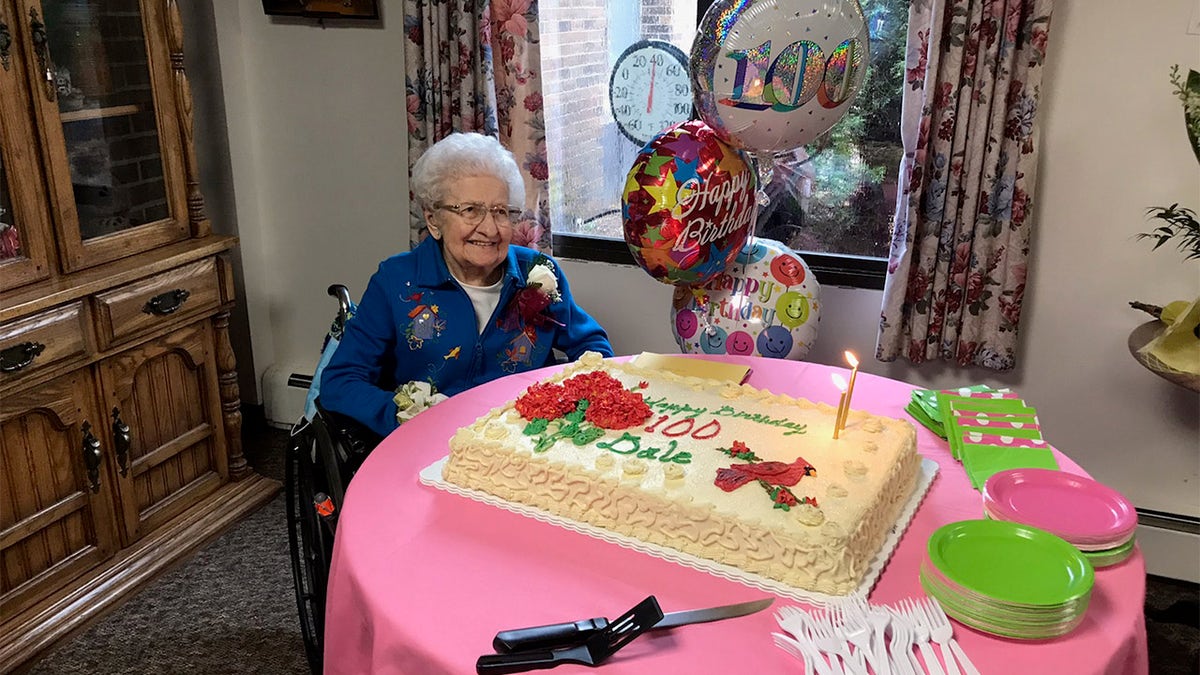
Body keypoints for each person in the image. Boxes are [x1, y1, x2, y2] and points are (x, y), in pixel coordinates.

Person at [319, 132, 614, 438]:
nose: (489, 228)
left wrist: (566, 404)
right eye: (470, 210)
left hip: (524, 442)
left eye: (501, 211)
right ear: (433, 220)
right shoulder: (397, 281)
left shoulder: (537, 272)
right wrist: (404, 416)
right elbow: (341, 381)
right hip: (427, 445)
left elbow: (592, 347)